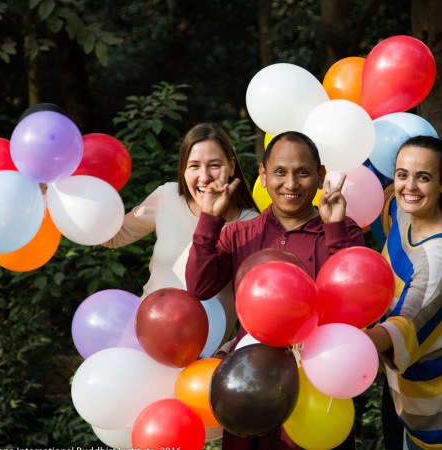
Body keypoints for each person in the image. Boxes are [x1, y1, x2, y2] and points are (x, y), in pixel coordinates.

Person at [185, 130, 364, 450]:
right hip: (249, 385)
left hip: (317, 386)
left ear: (321, 176)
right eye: (280, 172)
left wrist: (334, 229)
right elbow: (200, 287)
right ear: (263, 176)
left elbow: (351, 304)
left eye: (303, 173)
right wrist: (209, 220)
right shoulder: (239, 234)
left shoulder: (343, 229)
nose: (291, 184)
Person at [365, 135, 442, 450]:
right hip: (400, 387)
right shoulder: (401, 209)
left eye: (424, 177)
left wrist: (341, 343)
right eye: (402, 174)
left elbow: (402, 325)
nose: (410, 186)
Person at [102, 123, 259, 341]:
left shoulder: (251, 225)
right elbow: (112, 236)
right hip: (144, 340)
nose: (204, 177)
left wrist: (231, 347)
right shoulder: (167, 196)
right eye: (194, 166)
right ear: (183, 169)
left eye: (214, 165)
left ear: (231, 166)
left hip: (202, 360)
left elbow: (259, 309)